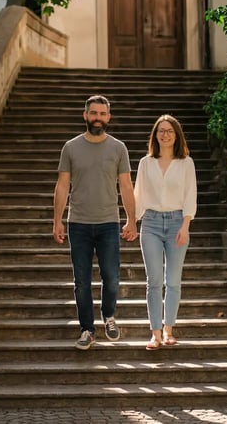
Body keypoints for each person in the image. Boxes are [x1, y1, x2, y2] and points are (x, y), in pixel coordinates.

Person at [53, 95, 137, 350]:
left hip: (109, 223)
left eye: (102, 114)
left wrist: (132, 220)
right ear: (85, 115)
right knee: (82, 282)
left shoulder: (118, 148)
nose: (98, 118)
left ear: (108, 118)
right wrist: (57, 220)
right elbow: (62, 184)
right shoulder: (70, 147)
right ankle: (87, 329)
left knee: (111, 278)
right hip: (78, 223)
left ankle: (108, 316)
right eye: (93, 113)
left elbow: (125, 185)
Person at [134, 114, 197, 350]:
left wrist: (185, 225)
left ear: (177, 135)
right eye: (161, 130)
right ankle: (155, 333)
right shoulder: (145, 163)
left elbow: (191, 195)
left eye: (170, 130)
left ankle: (169, 329)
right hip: (150, 223)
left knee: (173, 280)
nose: (165, 134)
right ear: (155, 135)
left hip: (176, 223)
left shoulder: (186, 163)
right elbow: (138, 194)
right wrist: (132, 221)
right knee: (154, 281)